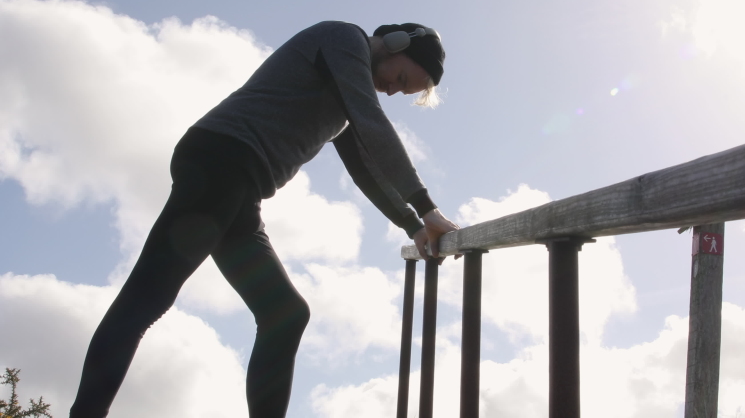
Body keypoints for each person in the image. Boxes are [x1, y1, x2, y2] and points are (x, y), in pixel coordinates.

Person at [69, 21, 459, 418]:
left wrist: (413, 225)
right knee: (146, 300)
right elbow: (374, 124)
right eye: (401, 79)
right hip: (221, 162)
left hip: (240, 184)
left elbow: (365, 168)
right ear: (396, 44)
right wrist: (428, 208)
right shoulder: (343, 40)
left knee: (284, 315)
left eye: (401, 91)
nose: (392, 90)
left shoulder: (346, 95)